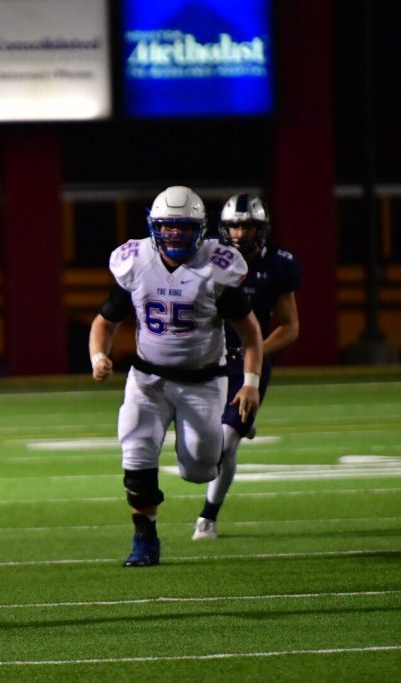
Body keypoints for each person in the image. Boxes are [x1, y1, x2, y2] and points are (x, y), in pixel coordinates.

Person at [87, 185, 264, 567]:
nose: (174, 235)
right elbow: (105, 320)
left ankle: (211, 452)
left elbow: (250, 333)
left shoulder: (216, 266)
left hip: (203, 381)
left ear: (199, 229)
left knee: (199, 469)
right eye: (167, 227)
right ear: (154, 226)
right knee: (135, 460)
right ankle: (145, 537)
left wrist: (250, 383)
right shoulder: (135, 261)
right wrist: (98, 355)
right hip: (147, 380)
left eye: (183, 228)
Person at [192, 193, 300, 540]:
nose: (240, 233)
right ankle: (242, 424)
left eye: (247, 225)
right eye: (234, 226)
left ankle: (207, 516)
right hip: (208, 360)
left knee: (226, 443)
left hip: (246, 365)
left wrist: (255, 352)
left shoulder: (278, 264)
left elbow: (289, 326)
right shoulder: (207, 256)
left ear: (261, 228)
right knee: (202, 445)